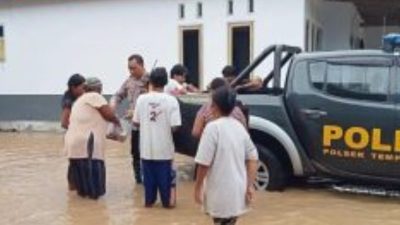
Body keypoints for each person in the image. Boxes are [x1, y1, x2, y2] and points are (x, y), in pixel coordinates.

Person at [194, 87, 258, 225]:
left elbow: (204, 163)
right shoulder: (239, 127)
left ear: (214, 106)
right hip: (237, 192)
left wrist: (198, 187)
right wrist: (249, 185)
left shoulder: (212, 128)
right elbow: (253, 158)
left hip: (220, 193)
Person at [64, 77, 121, 199]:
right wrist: (118, 122)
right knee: (96, 193)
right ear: (98, 88)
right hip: (88, 148)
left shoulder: (79, 101)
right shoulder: (94, 96)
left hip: (74, 148)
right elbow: (109, 114)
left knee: (83, 193)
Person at [133, 67, 182, 208]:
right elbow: (175, 127)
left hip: (146, 152)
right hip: (165, 153)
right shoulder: (172, 101)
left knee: (148, 201)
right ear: (166, 82)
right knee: (168, 202)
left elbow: (136, 122)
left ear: (151, 82)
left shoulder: (141, 99)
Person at [110, 54, 149, 184]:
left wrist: (137, 111)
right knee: (135, 153)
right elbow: (118, 95)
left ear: (142, 65)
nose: (131, 71)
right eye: (129, 68)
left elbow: (156, 102)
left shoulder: (150, 80)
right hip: (135, 126)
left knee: (149, 153)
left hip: (149, 125)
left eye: (134, 68)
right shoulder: (129, 81)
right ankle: (138, 181)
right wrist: (113, 104)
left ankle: (150, 180)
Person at [60, 74, 86, 191]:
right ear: (73, 88)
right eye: (82, 87)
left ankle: (76, 189)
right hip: (74, 137)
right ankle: (72, 188)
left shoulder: (78, 98)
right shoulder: (68, 101)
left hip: (77, 136)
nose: (84, 90)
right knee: (74, 165)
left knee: (77, 164)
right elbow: (64, 122)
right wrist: (79, 130)